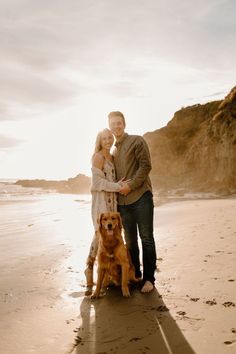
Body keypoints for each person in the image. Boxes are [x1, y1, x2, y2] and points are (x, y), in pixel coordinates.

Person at [108, 111, 157, 293]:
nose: (116, 126)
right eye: (113, 124)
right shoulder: (113, 150)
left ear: (124, 124)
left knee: (146, 238)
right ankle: (136, 275)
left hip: (141, 197)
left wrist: (131, 186)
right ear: (110, 126)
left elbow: (146, 166)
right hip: (123, 204)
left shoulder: (137, 141)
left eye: (119, 123)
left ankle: (149, 279)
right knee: (130, 241)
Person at [84, 128, 125, 295]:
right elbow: (98, 183)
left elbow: (110, 180)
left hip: (112, 205)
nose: (108, 140)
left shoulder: (112, 157)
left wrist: (117, 184)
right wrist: (118, 186)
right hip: (101, 204)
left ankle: (107, 274)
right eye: (104, 138)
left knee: (109, 237)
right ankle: (89, 268)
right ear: (99, 141)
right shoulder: (98, 157)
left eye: (110, 137)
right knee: (98, 236)